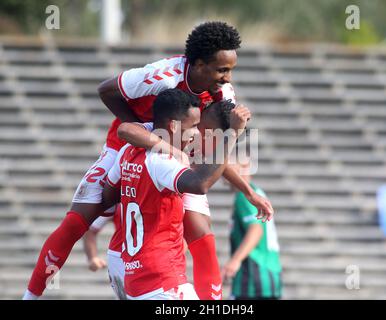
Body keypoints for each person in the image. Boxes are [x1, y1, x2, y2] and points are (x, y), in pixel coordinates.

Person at [23, 21, 272, 300]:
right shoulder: (163, 75)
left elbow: (213, 152)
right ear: (199, 64)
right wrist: (150, 133)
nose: (228, 78)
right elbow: (107, 90)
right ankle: (30, 296)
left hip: (175, 153)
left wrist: (248, 191)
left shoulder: (222, 95)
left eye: (231, 70)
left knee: (202, 234)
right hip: (126, 148)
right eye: (222, 69)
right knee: (77, 220)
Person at [102, 88, 251, 299]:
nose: (196, 134)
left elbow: (108, 197)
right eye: (193, 127)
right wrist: (233, 133)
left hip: (131, 274)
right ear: (173, 125)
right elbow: (201, 184)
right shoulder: (163, 162)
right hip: (163, 281)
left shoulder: (128, 151)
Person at [222, 154, 282, 300]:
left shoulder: (244, 197)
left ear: (245, 166)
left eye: (227, 163)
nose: (222, 168)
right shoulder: (257, 192)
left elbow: (256, 229)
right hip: (271, 274)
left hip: (253, 277)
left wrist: (234, 261)